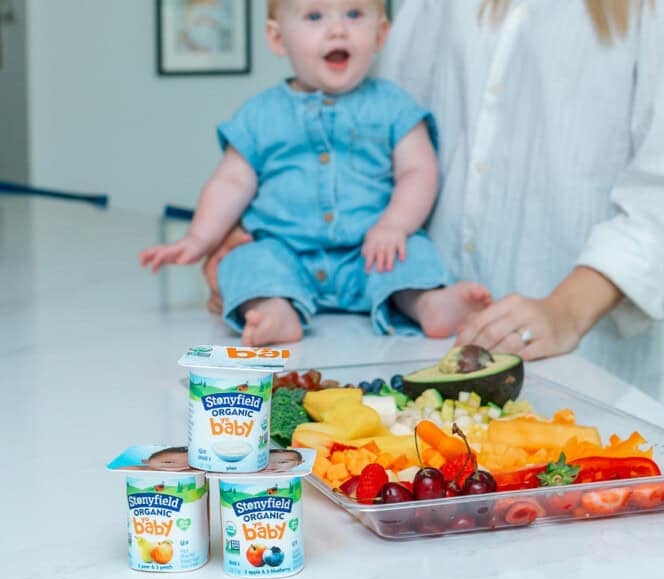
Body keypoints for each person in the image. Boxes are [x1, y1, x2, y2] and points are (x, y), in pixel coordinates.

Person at [204, 0, 664, 421]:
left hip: (596, 362)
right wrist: (261, 246)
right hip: (441, 343)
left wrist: (565, 310)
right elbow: (377, 130)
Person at [140, 0, 491, 346]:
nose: (337, 29)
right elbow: (230, 182)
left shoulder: (393, 105)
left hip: (369, 252)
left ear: (381, 33)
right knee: (245, 260)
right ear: (278, 39)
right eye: (314, 16)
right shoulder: (261, 113)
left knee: (411, 252)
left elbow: (418, 172)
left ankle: (428, 303)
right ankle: (274, 309)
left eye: (354, 14)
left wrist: (394, 225)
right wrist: (199, 238)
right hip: (284, 252)